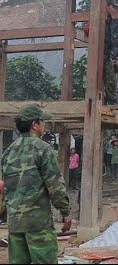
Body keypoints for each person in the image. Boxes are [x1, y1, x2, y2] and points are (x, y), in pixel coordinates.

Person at [1, 104, 72, 264]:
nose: (44, 125)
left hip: (15, 224)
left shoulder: (8, 151)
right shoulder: (43, 149)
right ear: (34, 125)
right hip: (38, 224)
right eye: (42, 121)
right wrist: (65, 211)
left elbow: (4, 188)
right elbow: (54, 185)